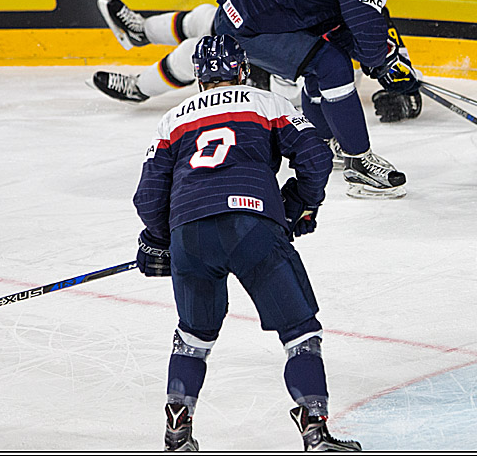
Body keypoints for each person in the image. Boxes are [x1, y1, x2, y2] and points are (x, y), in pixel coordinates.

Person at [91, 0, 420, 199]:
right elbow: (369, 40)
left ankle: (141, 44)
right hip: (263, 30)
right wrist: (383, 67)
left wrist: (386, 65)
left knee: (208, 24)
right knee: (328, 66)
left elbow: (356, 28)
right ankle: (358, 160)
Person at [132, 33, 361, 451]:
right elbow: (316, 157)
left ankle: (178, 430)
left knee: (193, 336)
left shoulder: (172, 119)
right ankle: (314, 429)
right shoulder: (267, 103)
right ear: (242, 69)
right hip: (253, 226)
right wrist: (299, 204)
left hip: (191, 233)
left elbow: (148, 197)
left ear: (199, 78)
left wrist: (158, 241)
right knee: (300, 333)